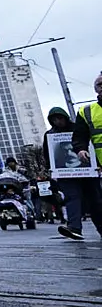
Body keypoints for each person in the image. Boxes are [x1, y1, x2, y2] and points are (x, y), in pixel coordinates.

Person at [52, 101, 102, 239]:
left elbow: (90, 143)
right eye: (55, 119)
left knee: (95, 201)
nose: (58, 121)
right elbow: (48, 155)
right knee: (72, 197)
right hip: (66, 174)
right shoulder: (50, 135)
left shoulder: (78, 127)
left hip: (88, 172)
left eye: (60, 118)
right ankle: (74, 228)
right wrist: (52, 170)